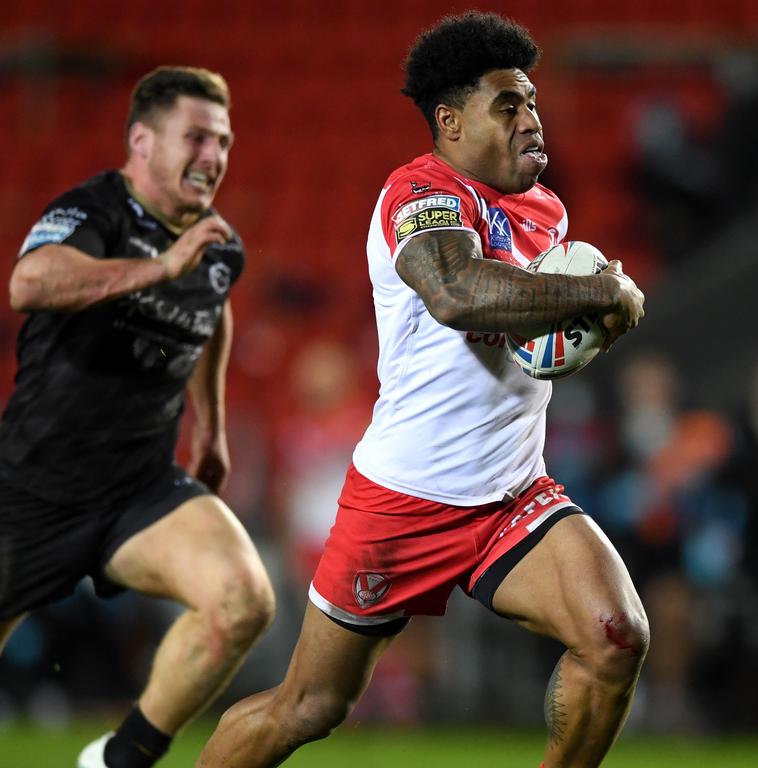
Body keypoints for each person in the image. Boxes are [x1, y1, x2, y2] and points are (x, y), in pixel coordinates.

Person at [198, 12, 648, 768]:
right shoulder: (418, 193)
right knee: (308, 708)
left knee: (616, 635)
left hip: (510, 495)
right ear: (450, 121)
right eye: (509, 106)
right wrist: (595, 298)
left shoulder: (547, 212)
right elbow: (456, 290)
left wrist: (578, 324)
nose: (532, 121)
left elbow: (527, 345)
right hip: (403, 501)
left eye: (532, 104)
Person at [0, 66, 275, 768]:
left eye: (223, 140)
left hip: (137, 490)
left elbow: (214, 307)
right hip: (30, 489)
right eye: (196, 137)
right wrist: (158, 266)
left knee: (242, 599)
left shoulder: (218, 247)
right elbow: (29, 282)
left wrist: (210, 423)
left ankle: (119, 761)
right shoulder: (95, 211)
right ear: (142, 142)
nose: (213, 156)